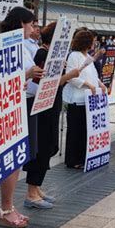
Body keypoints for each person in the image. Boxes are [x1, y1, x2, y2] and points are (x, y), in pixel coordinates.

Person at [23, 22, 80, 208]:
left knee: (48, 146)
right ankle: (32, 192)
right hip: (42, 108)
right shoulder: (42, 54)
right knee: (42, 147)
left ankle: (37, 188)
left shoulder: (51, 55)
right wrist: (69, 75)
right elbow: (44, 84)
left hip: (51, 106)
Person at [0, 7, 45, 227]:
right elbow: (2, 78)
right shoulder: (7, 44)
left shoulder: (25, 46)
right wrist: (28, 74)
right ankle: (6, 207)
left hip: (25, 101)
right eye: (31, 24)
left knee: (19, 158)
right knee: (12, 159)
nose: (34, 28)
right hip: (14, 106)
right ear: (20, 23)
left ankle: (9, 206)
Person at [63, 30, 106, 168]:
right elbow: (71, 77)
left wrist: (100, 83)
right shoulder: (74, 56)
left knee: (84, 131)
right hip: (77, 98)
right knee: (76, 130)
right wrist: (87, 84)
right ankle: (73, 160)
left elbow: (92, 73)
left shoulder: (87, 56)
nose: (94, 44)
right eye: (93, 41)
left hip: (88, 99)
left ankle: (83, 157)